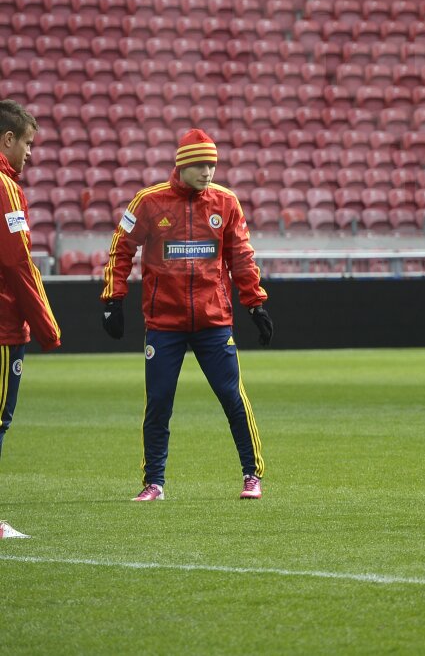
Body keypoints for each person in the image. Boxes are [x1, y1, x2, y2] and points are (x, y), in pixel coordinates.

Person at [101, 128, 275, 502]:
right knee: (159, 402)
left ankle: (252, 475)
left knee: (233, 397)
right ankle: (154, 483)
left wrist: (255, 303)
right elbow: (121, 249)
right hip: (164, 324)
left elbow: (242, 257)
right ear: (181, 165)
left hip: (213, 322)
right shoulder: (148, 202)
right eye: (199, 164)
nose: (207, 172)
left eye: (211, 164)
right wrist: (113, 299)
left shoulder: (226, 203)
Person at [0, 100, 62, 539]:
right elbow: (19, 262)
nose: (30, 153)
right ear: (8, 139)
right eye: (27, 142)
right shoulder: (5, 186)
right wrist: (47, 328)